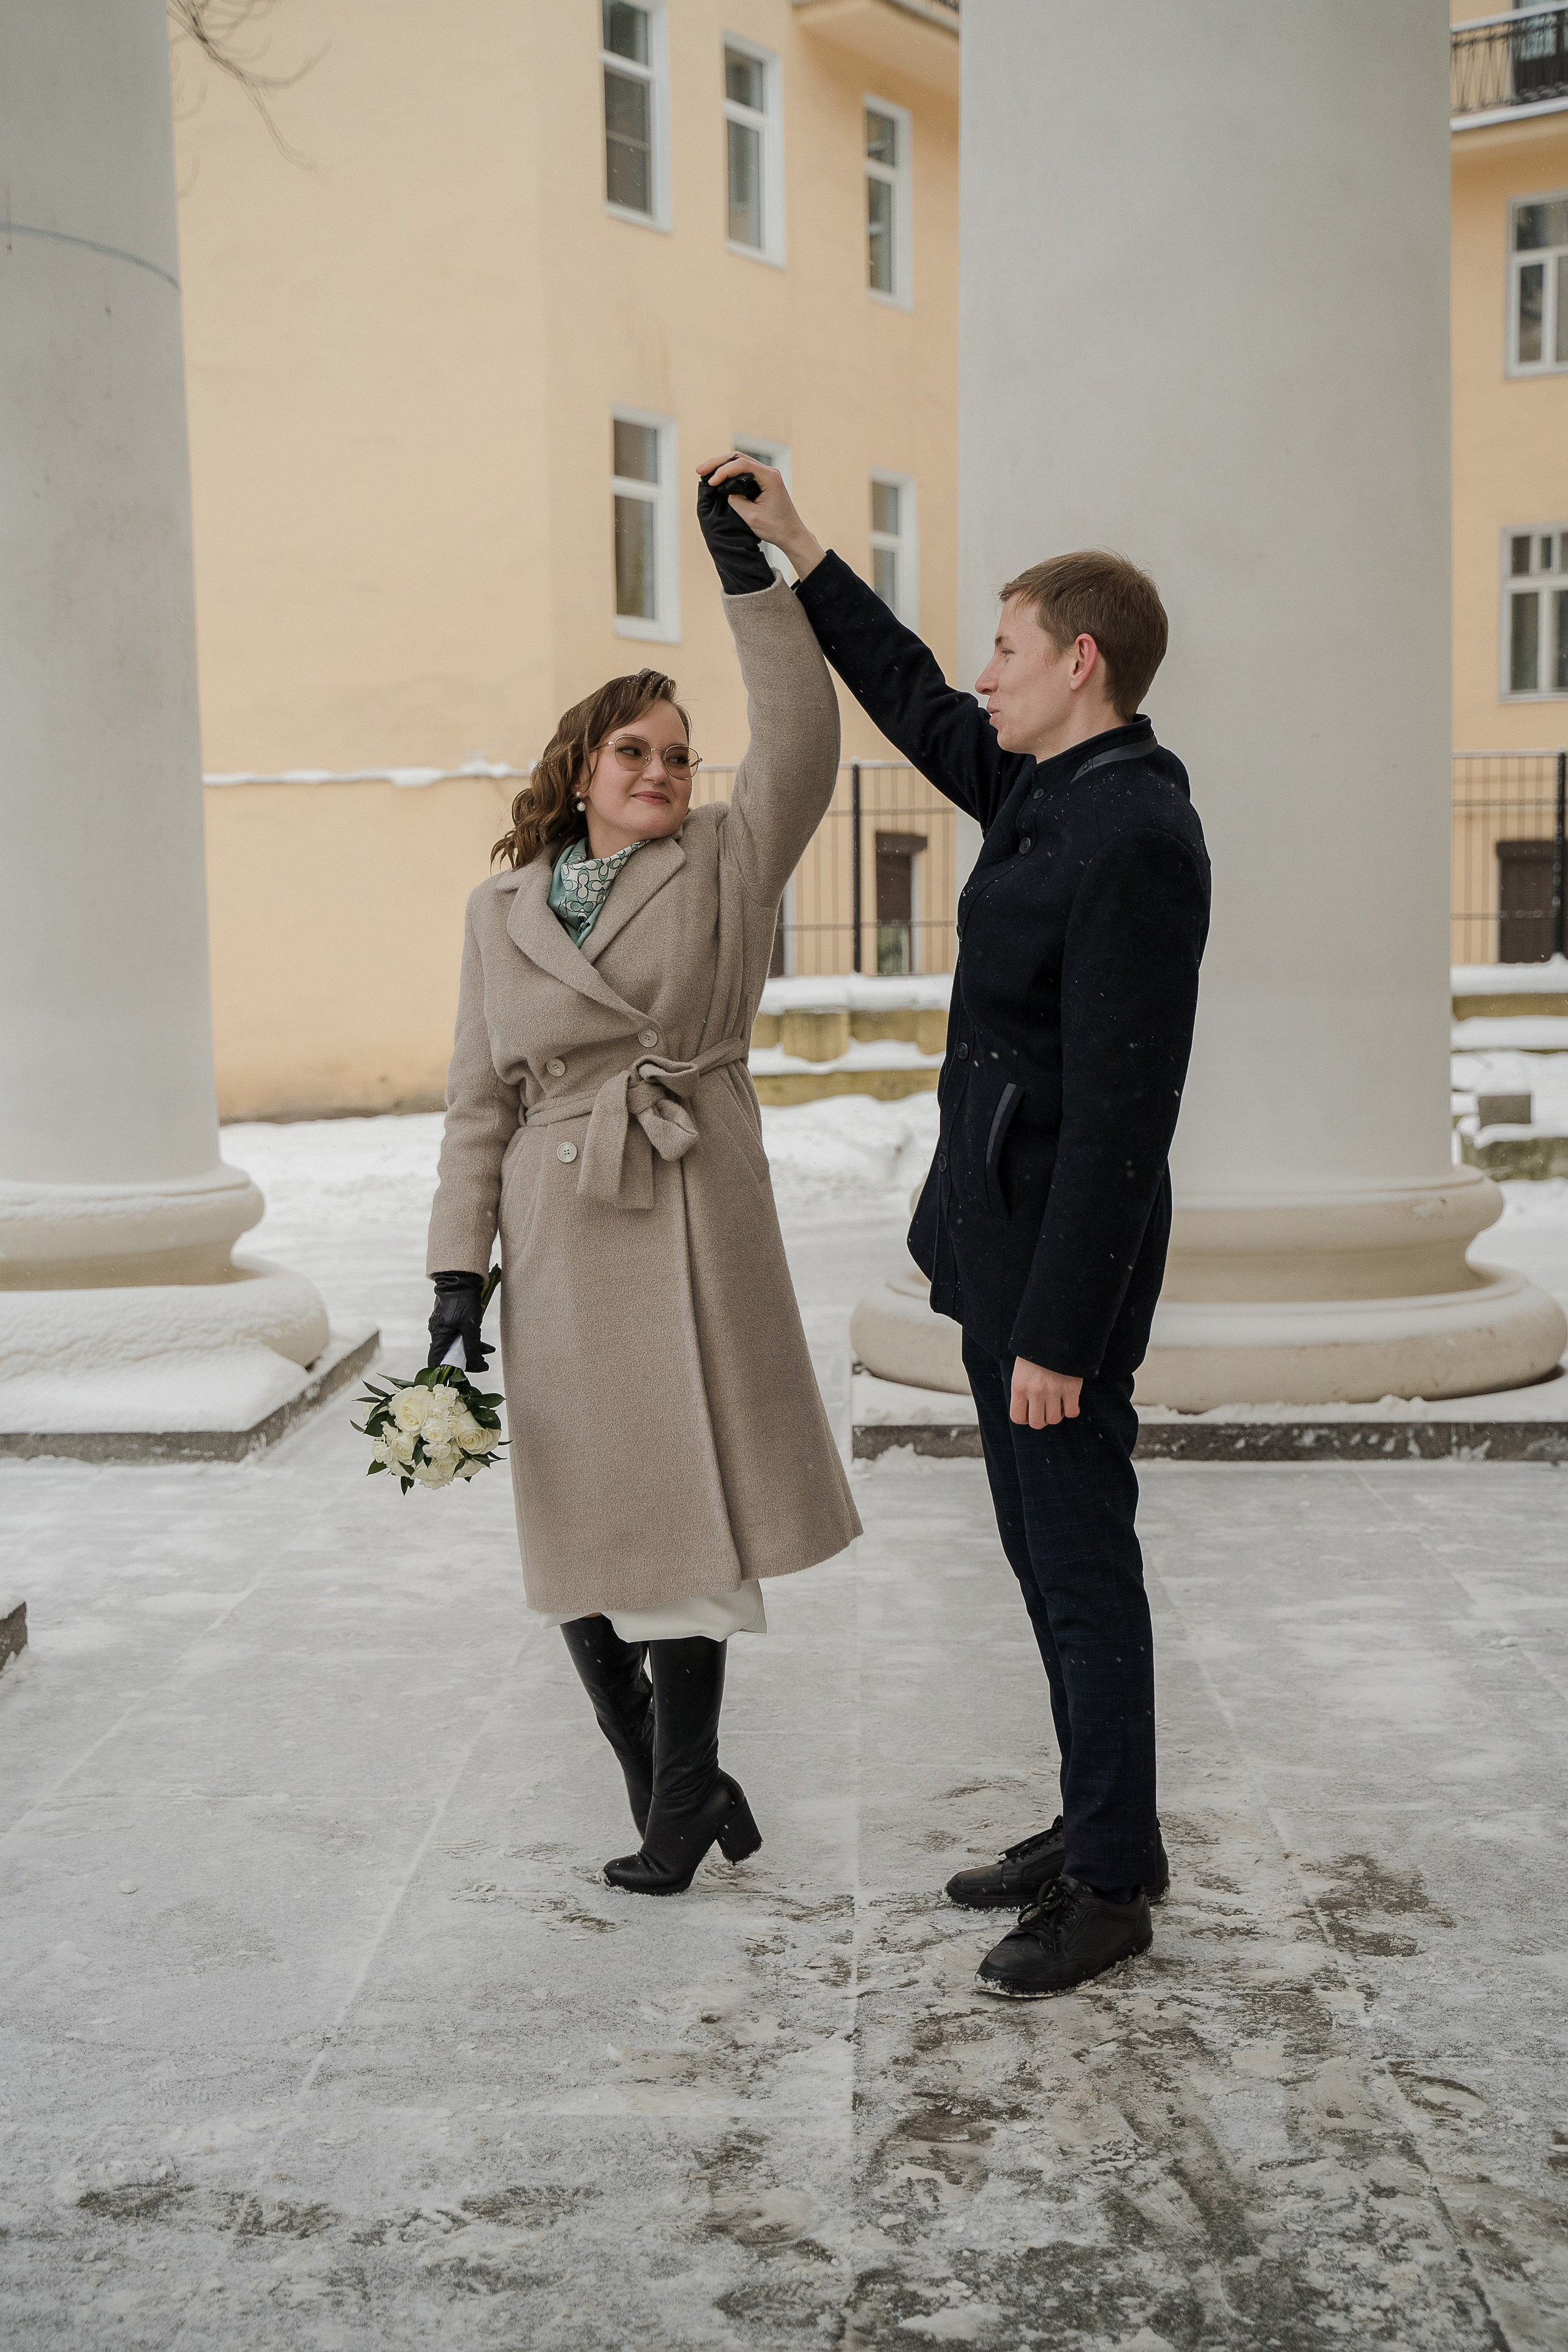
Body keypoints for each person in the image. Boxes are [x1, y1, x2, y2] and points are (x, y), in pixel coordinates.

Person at [701, 456, 1211, 1996]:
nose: (980, 671)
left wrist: (1059, 1330)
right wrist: (793, 548)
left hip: (1062, 1272)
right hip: (1003, 1240)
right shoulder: (1043, 789)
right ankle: (1096, 1820)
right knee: (1040, 1552)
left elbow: (1125, 1115)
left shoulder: (1133, 835)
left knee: (1076, 1563)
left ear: (1080, 662)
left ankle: (1112, 1883)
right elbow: (911, 692)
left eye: (1006, 646)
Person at [424, 466, 861, 1896]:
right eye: (635, 751)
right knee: (579, 1533)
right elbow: (475, 1105)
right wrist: (450, 1278)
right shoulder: (498, 911)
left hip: (681, 1200)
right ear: (580, 770)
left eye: (676, 752)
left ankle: (675, 1808)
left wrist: (750, 577)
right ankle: (686, 1781)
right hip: (558, 1228)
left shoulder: (729, 856)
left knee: (675, 1514)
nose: (664, 771)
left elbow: (796, 736)